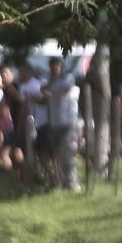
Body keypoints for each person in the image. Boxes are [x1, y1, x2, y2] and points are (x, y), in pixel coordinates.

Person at [43, 57, 80, 191]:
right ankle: (60, 182)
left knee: (68, 152)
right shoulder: (47, 78)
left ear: (62, 67)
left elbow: (64, 90)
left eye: (58, 66)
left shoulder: (68, 78)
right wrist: (51, 81)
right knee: (57, 153)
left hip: (68, 121)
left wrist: (50, 93)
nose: (55, 69)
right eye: (53, 66)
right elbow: (43, 90)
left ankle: (72, 183)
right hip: (54, 122)